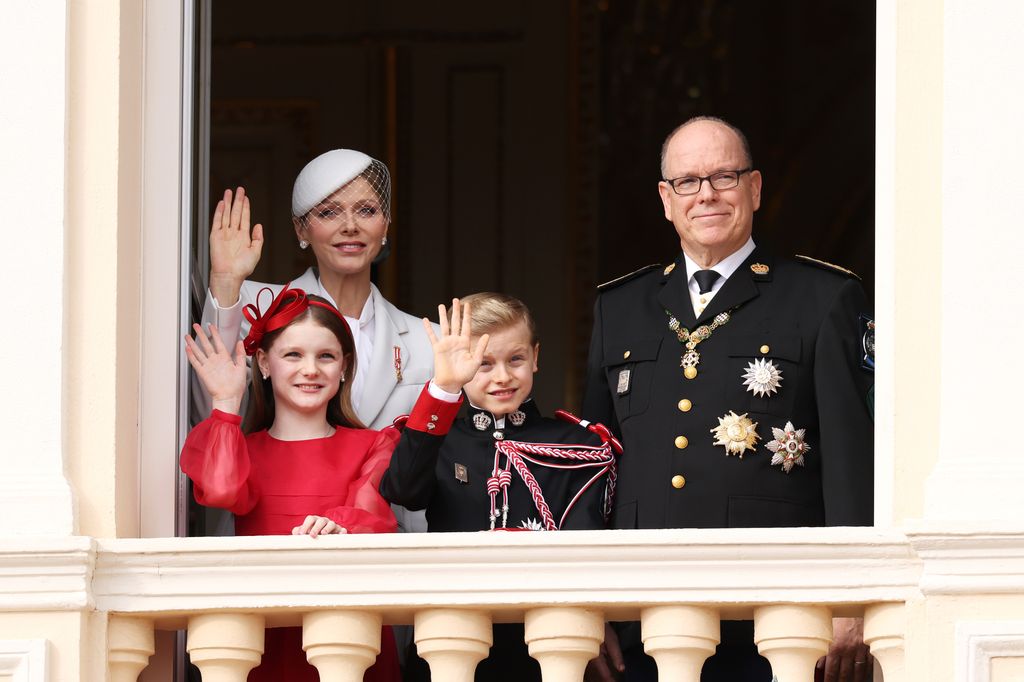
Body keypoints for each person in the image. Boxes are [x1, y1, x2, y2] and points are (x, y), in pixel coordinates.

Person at [581, 117, 875, 682]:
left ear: (756, 188)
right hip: (642, 607)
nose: (707, 194)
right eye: (688, 182)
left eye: (724, 175)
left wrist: (850, 594)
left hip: (776, 611)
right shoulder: (618, 307)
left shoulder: (823, 296)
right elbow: (593, 464)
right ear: (666, 200)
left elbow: (849, 453)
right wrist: (587, 600)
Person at [379, 294, 621, 681]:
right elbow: (402, 489)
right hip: (452, 643)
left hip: (548, 647)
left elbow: (586, 549)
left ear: (536, 357)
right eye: (483, 363)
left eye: (516, 359)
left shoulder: (578, 445)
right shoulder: (438, 439)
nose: (502, 376)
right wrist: (444, 387)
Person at [195, 149, 434, 532]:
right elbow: (208, 412)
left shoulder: (430, 341)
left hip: (388, 549)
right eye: (328, 212)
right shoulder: (253, 308)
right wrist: (225, 284)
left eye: (367, 211)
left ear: (386, 224)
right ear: (300, 229)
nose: (350, 226)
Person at [181, 285, 401, 682]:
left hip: (348, 633)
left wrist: (338, 524)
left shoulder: (374, 444)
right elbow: (220, 489)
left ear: (344, 366)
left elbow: (375, 516)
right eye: (293, 355)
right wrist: (227, 404)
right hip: (262, 636)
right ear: (264, 363)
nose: (311, 369)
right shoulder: (241, 448)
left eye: (326, 356)